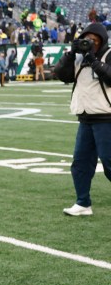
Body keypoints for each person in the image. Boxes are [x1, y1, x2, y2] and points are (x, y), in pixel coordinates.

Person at [52, 23, 111, 216]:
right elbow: (61, 74)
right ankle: (83, 203)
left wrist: (93, 59)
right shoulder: (77, 57)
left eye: (94, 40)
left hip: (106, 117)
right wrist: (70, 53)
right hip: (85, 118)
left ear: (102, 41)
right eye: (87, 39)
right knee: (81, 163)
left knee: (109, 162)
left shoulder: (108, 55)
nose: (90, 43)